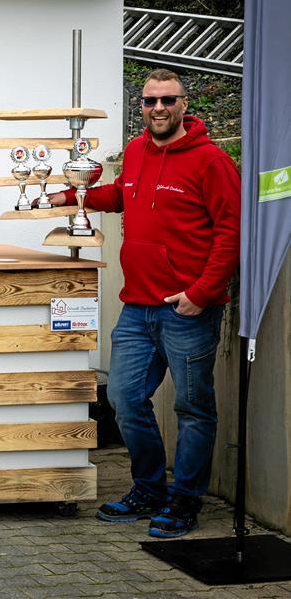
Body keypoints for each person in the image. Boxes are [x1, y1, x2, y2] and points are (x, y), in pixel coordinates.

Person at [44, 68, 240, 538]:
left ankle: (185, 502)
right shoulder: (134, 152)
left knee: (193, 409)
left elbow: (232, 232)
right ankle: (149, 489)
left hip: (186, 310)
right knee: (124, 399)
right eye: (149, 101)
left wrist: (201, 294)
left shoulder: (211, 161)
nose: (158, 108)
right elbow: (124, 196)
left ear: (184, 105)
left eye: (167, 100)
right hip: (137, 306)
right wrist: (74, 195)